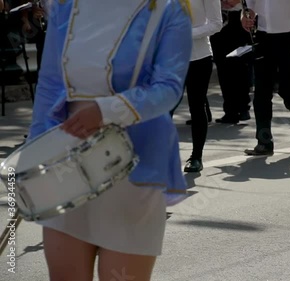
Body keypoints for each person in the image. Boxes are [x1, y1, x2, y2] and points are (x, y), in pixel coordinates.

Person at [27, 0, 192, 280]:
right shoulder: (66, 7)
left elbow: (169, 87)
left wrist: (106, 110)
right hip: (65, 166)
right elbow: (49, 85)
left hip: (133, 169)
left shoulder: (168, 10)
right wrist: (35, 157)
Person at [241, 0, 290, 156]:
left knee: (288, 90)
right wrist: (246, 18)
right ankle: (264, 142)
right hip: (262, 37)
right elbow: (250, 8)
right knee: (261, 92)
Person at [183, 0, 222, 172]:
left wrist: (186, 34)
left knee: (196, 107)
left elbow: (216, 24)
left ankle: (196, 157)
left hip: (198, 58)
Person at [209, 0, 252, 124]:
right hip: (218, 19)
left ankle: (243, 107)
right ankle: (231, 111)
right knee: (223, 68)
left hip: (237, 18)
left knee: (239, 66)